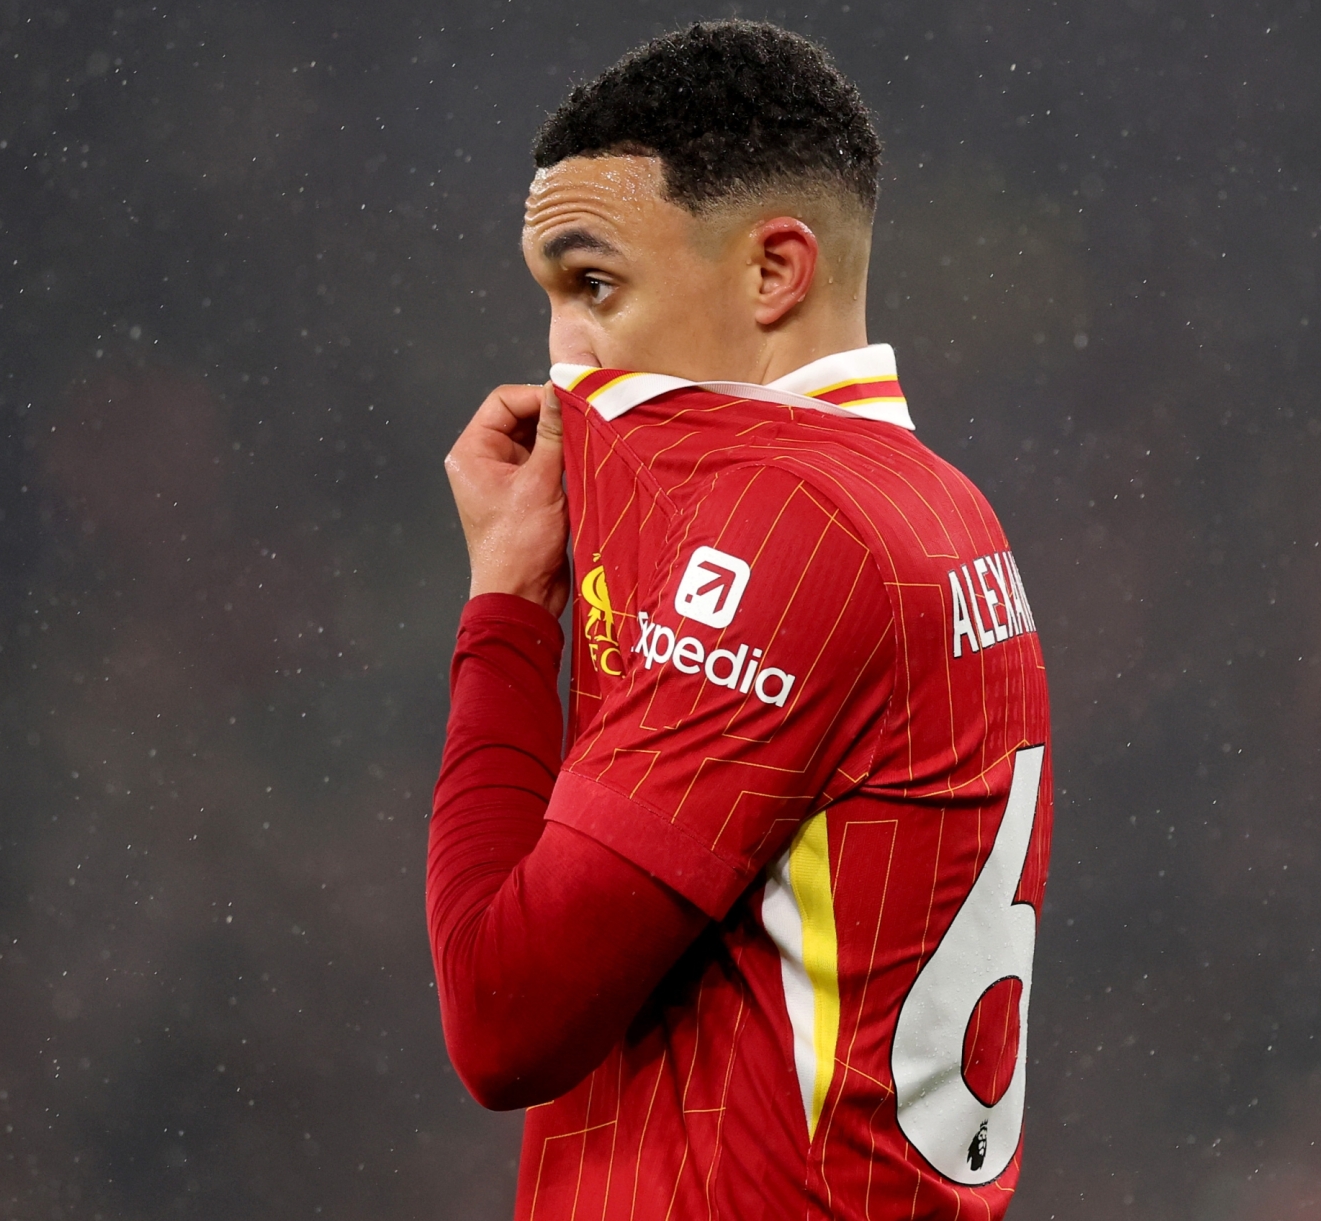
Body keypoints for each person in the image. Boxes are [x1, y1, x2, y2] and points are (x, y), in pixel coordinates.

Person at [431, 21, 1054, 1219]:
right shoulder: (937, 503)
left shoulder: (785, 533)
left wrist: (507, 611)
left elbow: (504, 1019)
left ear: (775, 272)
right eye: (553, 298)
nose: (563, 359)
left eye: (596, 286)